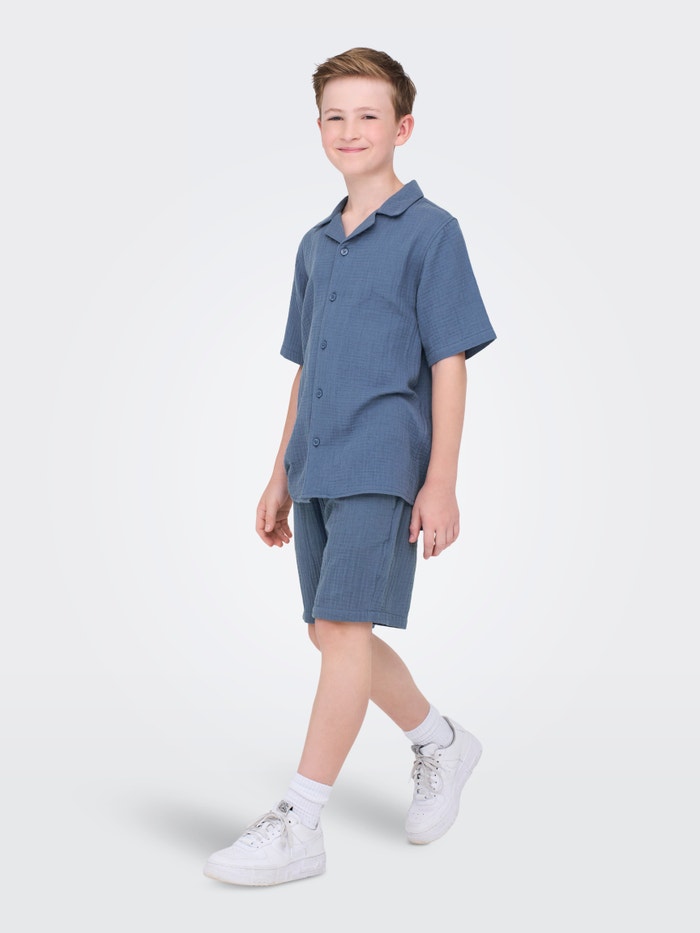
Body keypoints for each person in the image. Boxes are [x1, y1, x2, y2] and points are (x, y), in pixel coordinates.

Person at [204, 46, 497, 887]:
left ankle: (300, 820)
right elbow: (306, 367)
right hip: (317, 463)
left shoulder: (433, 232)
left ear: (403, 127)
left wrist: (441, 479)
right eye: (335, 115)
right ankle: (441, 739)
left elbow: (449, 361)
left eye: (368, 114)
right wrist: (279, 472)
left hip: (382, 460)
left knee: (341, 631)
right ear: (319, 129)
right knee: (332, 632)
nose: (350, 129)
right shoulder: (314, 245)